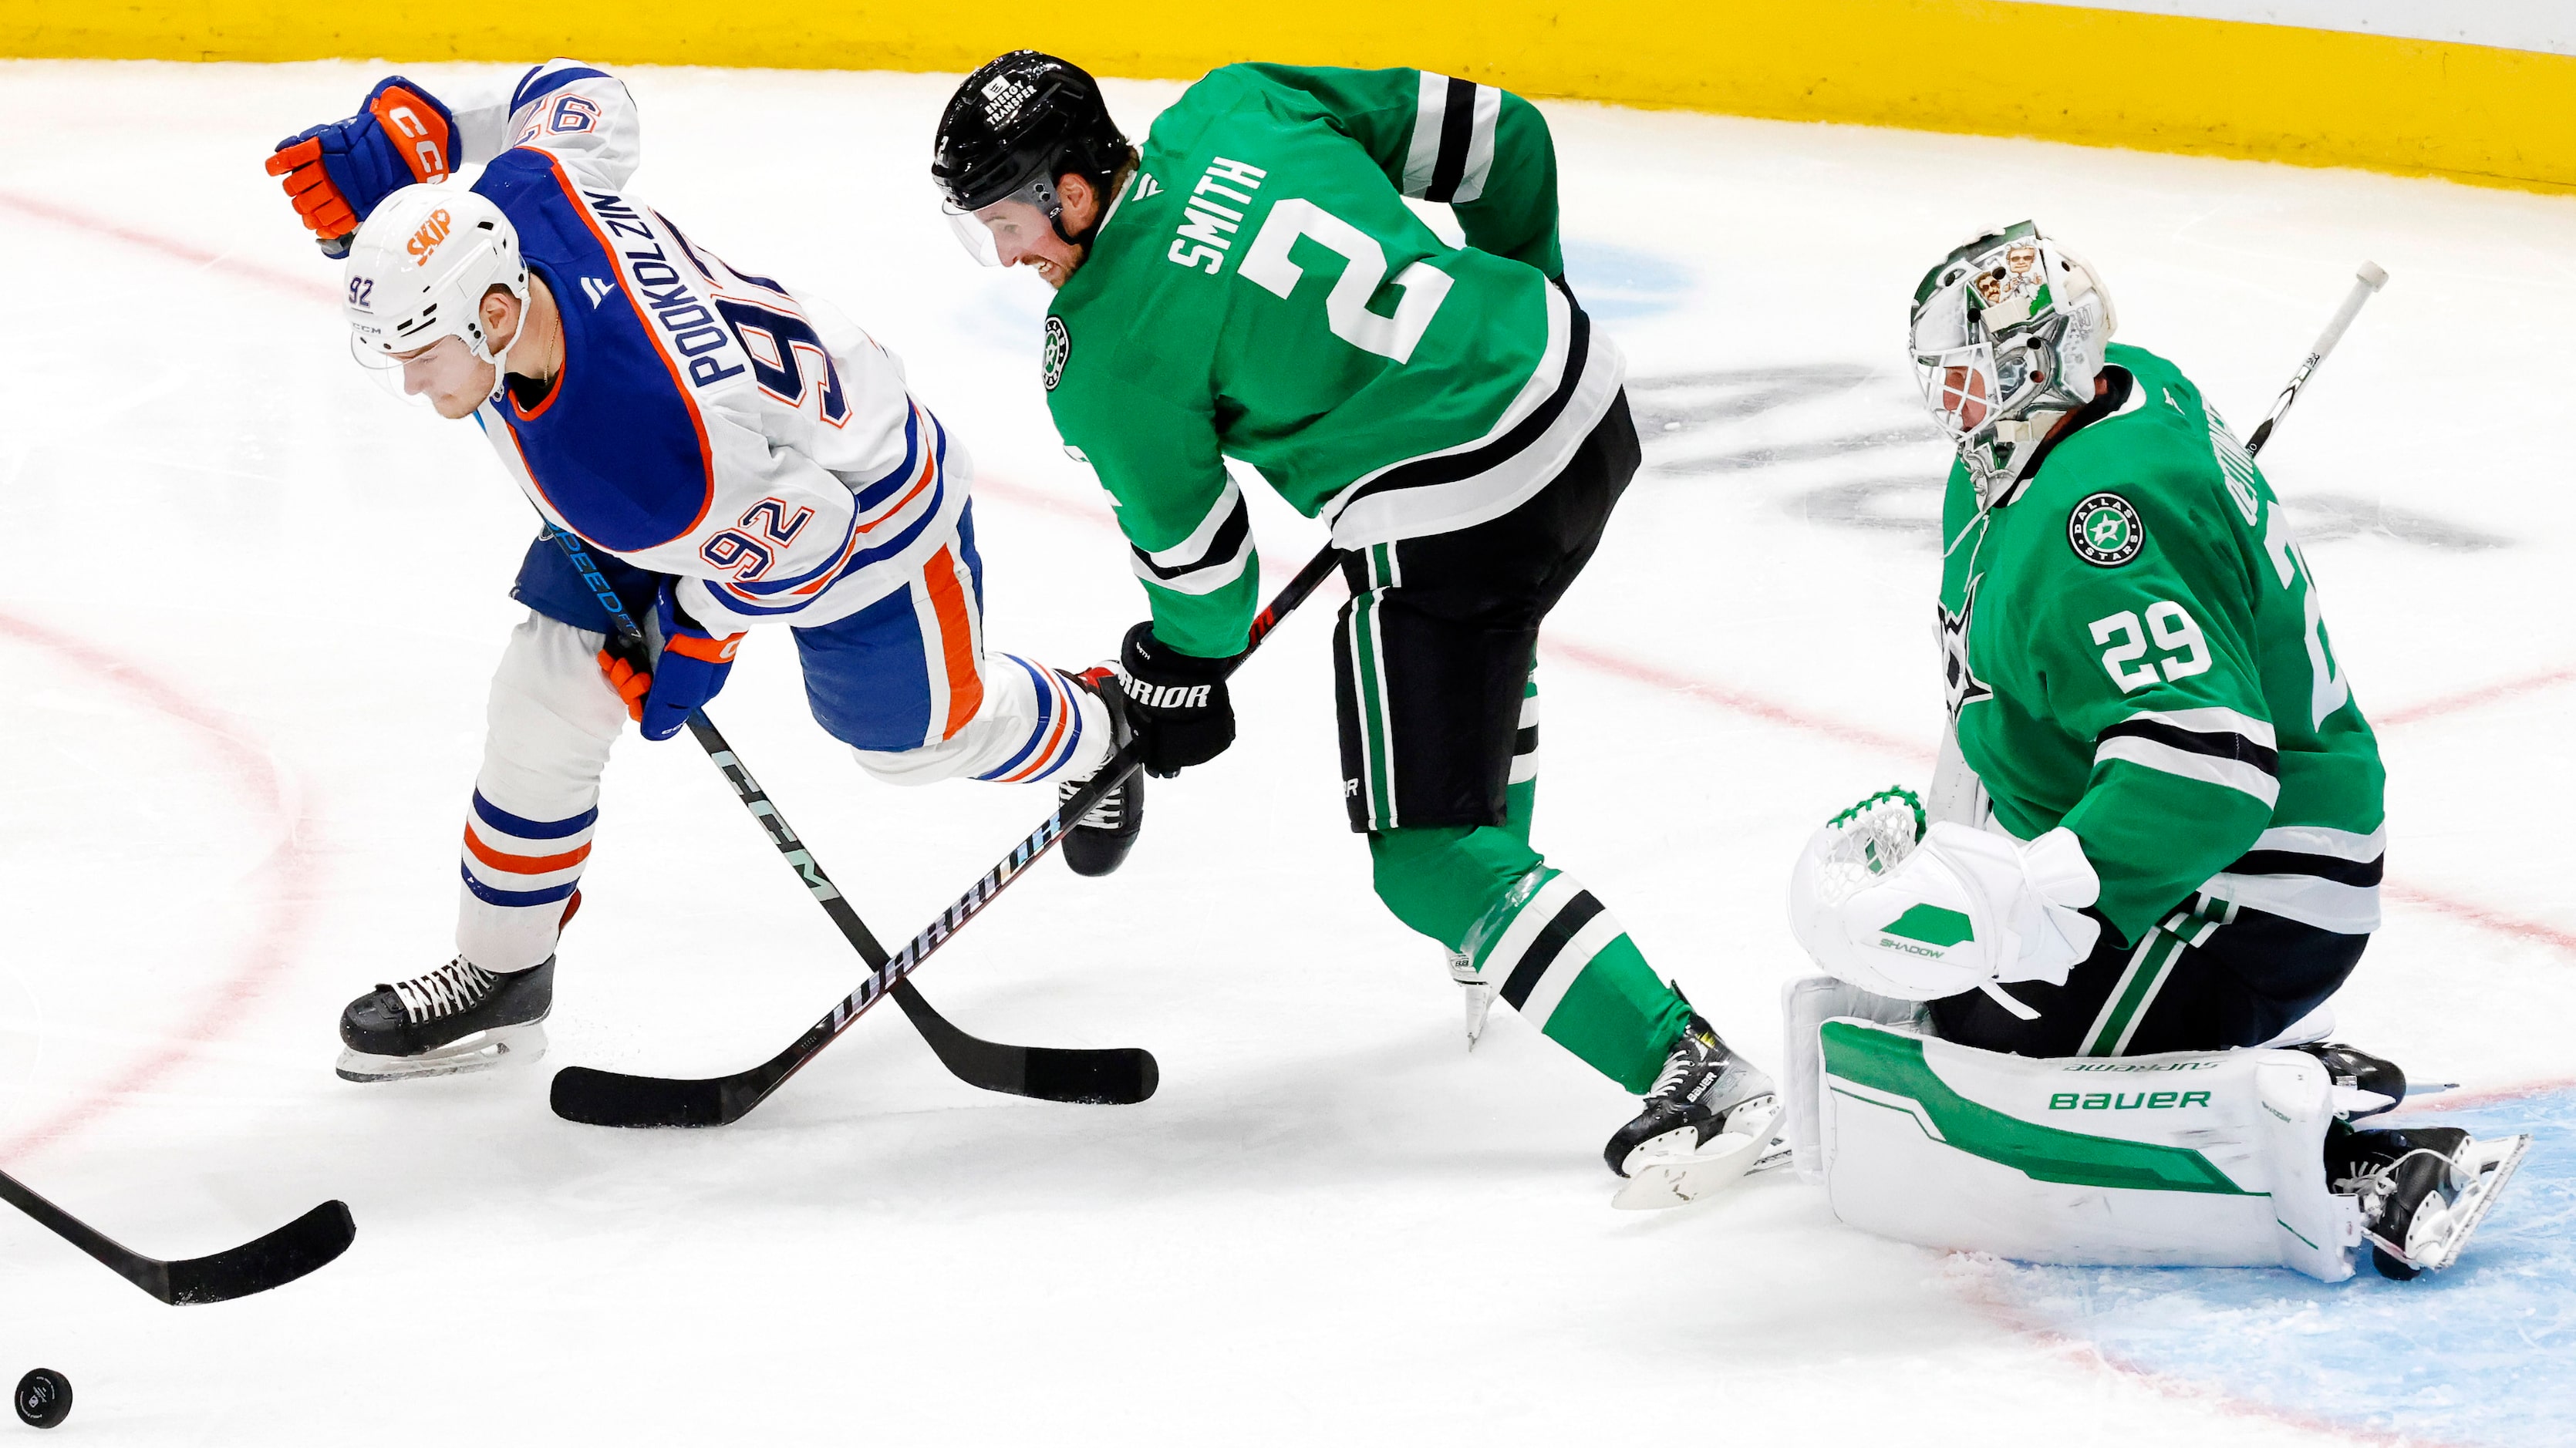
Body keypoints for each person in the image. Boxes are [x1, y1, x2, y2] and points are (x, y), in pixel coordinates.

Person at [932, 52, 1778, 1197]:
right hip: (1582, 394)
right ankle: (1504, 911)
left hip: (1465, 513)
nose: (1007, 254)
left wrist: (1173, 676)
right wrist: (1522, 307)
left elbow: (1210, 584)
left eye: (1010, 220)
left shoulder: (1105, 353)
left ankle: (1696, 1068)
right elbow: (1505, 137)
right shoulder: (1237, 103)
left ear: (1073, 188)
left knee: (1426, 854)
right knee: (1486, 629)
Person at [261, 59, 1144, 1083]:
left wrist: (694, 632)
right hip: (709, 478)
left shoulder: (649, 471)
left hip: (871, 504)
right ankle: (502, 973)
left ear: (497, 319)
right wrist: (430, 136)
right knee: (546, 690)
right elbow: (585, 93)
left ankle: (1099, 731)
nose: (412, 384)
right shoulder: (528, 199)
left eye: (422, 351)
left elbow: (807, 534)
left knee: (912, 745)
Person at [1782, 223, 2525, 1278]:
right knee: (1952, 998)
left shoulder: (2101, 518)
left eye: (1965, 383)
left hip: (2259, 878)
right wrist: (1962, 861)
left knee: (1998, 1059)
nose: (1948, 413)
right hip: (2157, 848)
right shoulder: (2099, 415)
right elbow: (2003, 699)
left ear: (2036, 366)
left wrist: (2027, 895)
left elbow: (2212, 773)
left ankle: (2338, 1144)